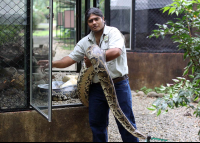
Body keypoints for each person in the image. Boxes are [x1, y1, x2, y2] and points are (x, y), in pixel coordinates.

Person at [38, 7, 139, 142]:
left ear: (103, 19)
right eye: (90, 21)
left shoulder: (113, 32)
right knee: (97, 125)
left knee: (125, 123)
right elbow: (69, 59)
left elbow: (116, 52)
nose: (94, 22)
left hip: (118, 85)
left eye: (96, 19)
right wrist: (52, 64)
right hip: (97, 88)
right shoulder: (85, 41)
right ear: (88, 24)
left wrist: (93, 58)